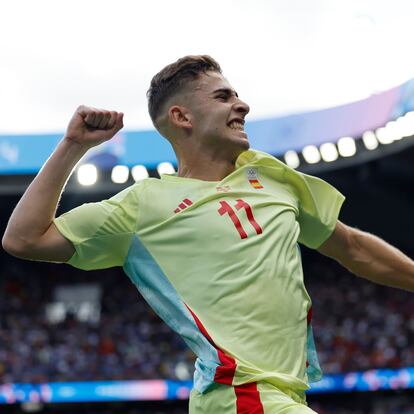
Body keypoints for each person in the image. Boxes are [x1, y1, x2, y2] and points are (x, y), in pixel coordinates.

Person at [2, 55, 414, 414]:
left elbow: (354, 248)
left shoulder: (273, 178)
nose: (243, 105)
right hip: (238, 394)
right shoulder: (143, 206)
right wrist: (72, 146)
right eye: (224, 97)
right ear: (182, 117)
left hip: (285, 395)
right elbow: (23, 239)